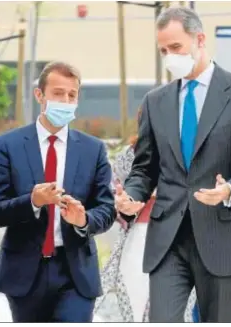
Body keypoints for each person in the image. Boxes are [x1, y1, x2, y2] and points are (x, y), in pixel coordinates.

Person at [115, 7, 231, 322]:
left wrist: (230, 189)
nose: (169, 56)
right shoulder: (155, 101)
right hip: (168, 238)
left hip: (224, 233)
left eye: (175, 47)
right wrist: (132, 197)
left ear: (199, 39)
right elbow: (144, 168)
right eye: (163, 50)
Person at [0, 61, 116, 322]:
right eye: (58, 93)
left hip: (75, 272)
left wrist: (83, 220)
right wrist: (32, 201)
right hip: (25, 272)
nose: (66, 101)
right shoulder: (9, 145)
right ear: (39, 95)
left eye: (72, 95)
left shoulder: (93, 150)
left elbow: (106, 208)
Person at [95, 110, 197, 322]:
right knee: (136, 303)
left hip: (181, 236)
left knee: (176, 308)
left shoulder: (192, 153)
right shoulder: (129, 155)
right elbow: (114, 194)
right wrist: (128, 201)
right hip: (138, 237)